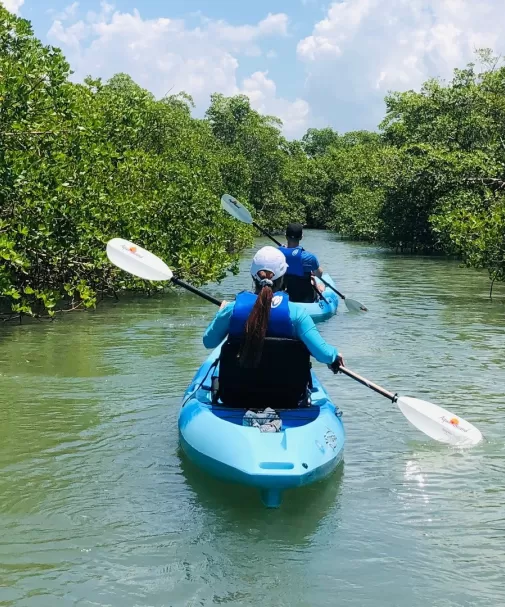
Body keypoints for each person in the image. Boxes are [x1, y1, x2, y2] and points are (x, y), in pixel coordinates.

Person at [203, 246, 344, 409]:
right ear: (283, 278)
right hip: (287, 399)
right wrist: (334, 356)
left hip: (235, 397)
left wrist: (221, 313)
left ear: (252, 276)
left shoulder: (231, 310)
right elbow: (323, 354)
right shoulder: (297, 313)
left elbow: (209, 341)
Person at [277, 222, 325, 303]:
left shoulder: (277, 253)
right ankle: (319, 287)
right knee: (319, 284)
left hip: (286, 296)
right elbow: (319, 274)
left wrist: (285, 249)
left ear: (285, 235)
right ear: (301, 237)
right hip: (306, 298)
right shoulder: (309, 257)